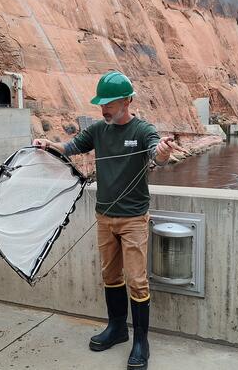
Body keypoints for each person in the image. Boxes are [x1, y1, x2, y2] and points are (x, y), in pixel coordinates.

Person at [33, 71, 179, 370]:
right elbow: (71, 148)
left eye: (110, 103)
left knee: (137, 281)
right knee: (110, 276)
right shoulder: (99, 130)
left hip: (134, 219)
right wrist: (48, 144)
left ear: (127, 101)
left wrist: (163, 151)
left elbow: (157, 155)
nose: (104, 108)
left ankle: (141, 341)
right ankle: (117, 329)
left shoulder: (143, 130)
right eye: (102, 103)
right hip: (104, 217)